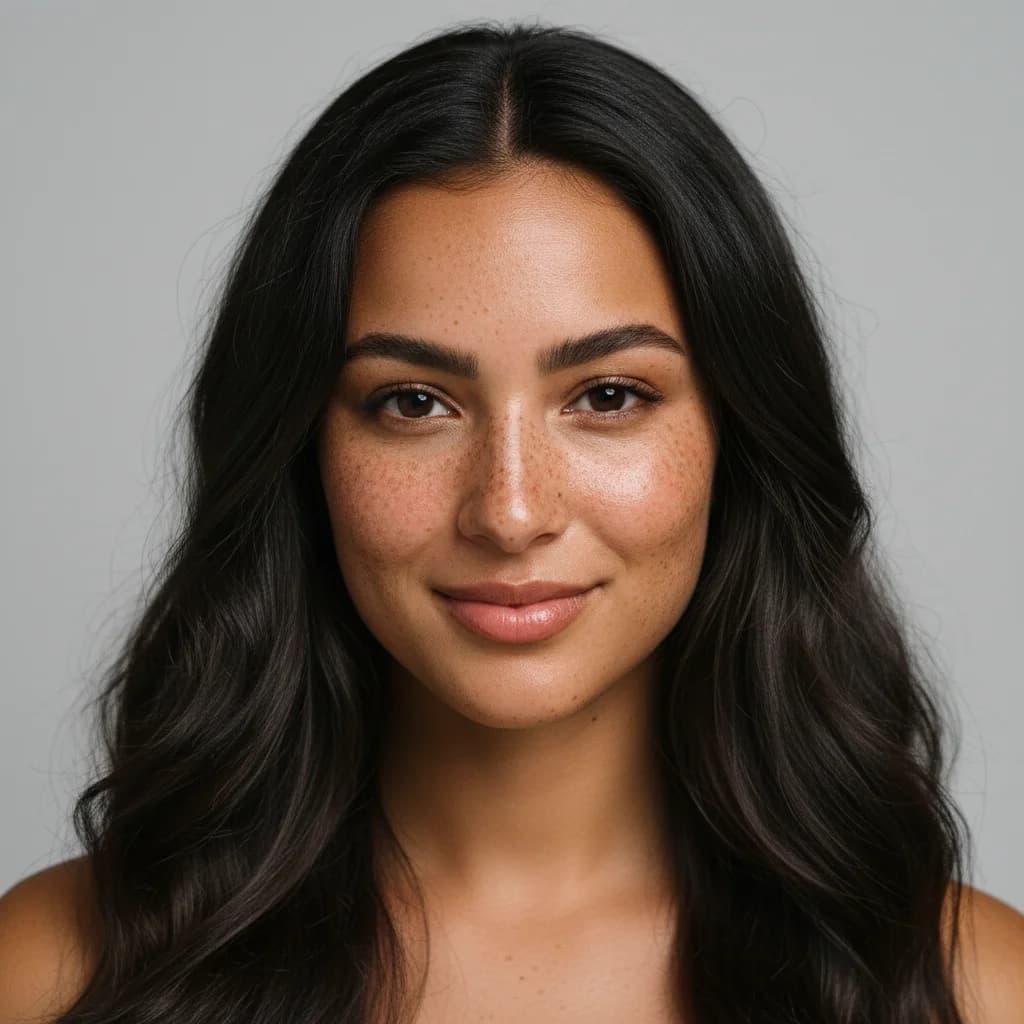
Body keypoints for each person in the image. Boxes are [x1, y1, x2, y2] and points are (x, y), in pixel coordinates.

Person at [1, 18, 1022, 1024]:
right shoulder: (55, 974)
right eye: (413, 403)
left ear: (738, 434)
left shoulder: (970, 990)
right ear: (301, 448)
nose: (510, 510)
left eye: (608, 396)